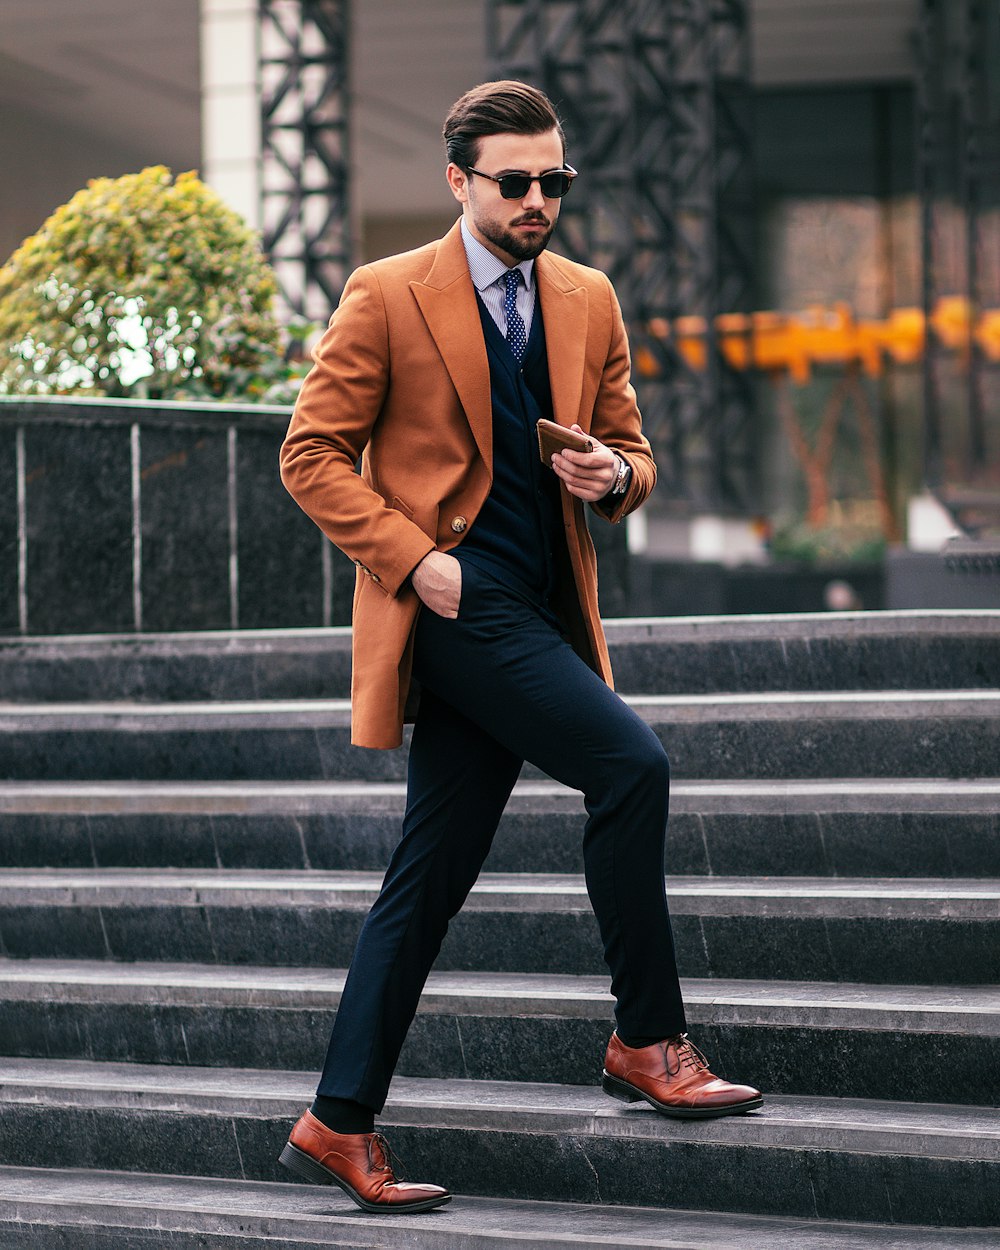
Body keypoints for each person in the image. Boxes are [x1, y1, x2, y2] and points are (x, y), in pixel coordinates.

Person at [277, 79, 762, 1215]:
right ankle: (648, 1038)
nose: (539, 197)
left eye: (555, 180)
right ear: (459, 181)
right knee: (629, 763)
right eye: (515, 181)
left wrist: (614, 477)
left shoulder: (587, 296)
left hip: (543, 609)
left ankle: (337, 1116)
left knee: (428, 873)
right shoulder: (387, 291)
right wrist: (412, 558)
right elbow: (311, 453)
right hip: (451, 607)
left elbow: (634, 451)